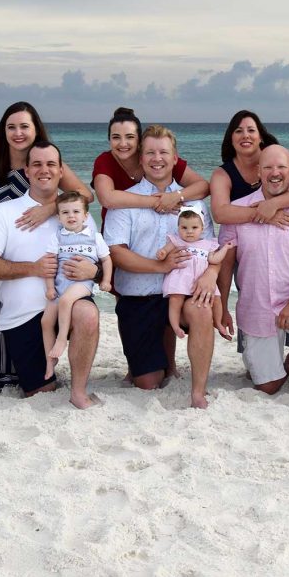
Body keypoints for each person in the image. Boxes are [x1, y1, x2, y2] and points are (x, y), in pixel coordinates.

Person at [0, 101, 92, 391]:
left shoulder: (44, 159)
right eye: (11, 126)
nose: (18, 133)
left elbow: (84, 194)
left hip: (13, 247)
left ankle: (16, 372)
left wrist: (50, 208)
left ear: (36, 128)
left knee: (6, 306)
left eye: (24, 126)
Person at [0, 141, 102, 410]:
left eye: (51, 164)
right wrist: (32, 268)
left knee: (88, 314)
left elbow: (100, 261)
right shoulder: (5, 212)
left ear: (60, 170)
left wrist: (96, 271)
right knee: (41, 391)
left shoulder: (77, 214)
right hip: (23, 317)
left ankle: (79, 391)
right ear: (26, 170)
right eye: (37, 164)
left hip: (68, 303)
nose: (44, 170)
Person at [104, 125, 221, 409]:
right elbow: (116, 253)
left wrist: (212, 274)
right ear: (141, 159)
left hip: (183, 294)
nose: (157, 159)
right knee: (148, 382)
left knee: (203, 309)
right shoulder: (125, 201)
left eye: (164, 152)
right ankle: (149, 365)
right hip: (139, 295)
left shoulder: (193, 203)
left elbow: (211, 248)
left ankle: (197, 391)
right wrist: (161, 266)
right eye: (151, 152)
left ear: (175, 157)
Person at [218, 145, 289, 407]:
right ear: (258, 172)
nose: (275, 173)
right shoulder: (238, 210)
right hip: (256, 306)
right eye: (268, 167)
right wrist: (221, 306)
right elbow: (226, 264)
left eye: (281, 167)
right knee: (268, 386)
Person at [90, 106, 209, 229]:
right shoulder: (105, 160)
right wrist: (158, 202)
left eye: (130, 137)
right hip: (117, 231)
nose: (123, 143)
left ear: (139, 139)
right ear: (109, 139)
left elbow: (203, 187)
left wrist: (175, 196)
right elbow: (107, 198)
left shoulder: (157, 160)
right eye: (116, 137)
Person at [42, 191, 112, 380]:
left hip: (81, 284)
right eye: (65, 213)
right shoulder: (57, 237)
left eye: (76, 211)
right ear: (58, 217)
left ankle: (62, 338)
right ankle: (50, 363)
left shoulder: (94, 236)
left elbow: (106, 260)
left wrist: (105, 280)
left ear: (86, 215)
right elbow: (49, 265)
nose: (71, 216)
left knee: (66, 301)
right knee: (46, 321)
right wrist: (49, 287)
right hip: (59, 285)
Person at [210, 109, 289, 225]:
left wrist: (273, 204)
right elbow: (219, 213)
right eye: (238, 131)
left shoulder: (281, 156)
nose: (245, 135)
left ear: (260, 137)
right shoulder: (222, 174)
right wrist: (263, 214)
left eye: (251, 130)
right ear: (231, 139)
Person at [156, 208, 233, 339]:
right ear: (178, 227)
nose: (189, 231)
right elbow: (165, 250)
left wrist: (225, 248)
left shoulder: (208, 244)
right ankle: (175, 325)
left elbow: (214, 259)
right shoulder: (176, 241)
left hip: (201, 279)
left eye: (194, 227)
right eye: (184, 227)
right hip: (181, 277)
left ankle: (218, 323)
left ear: (202, 228)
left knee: (216, 299)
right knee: (175, 299)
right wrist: (162, 253)